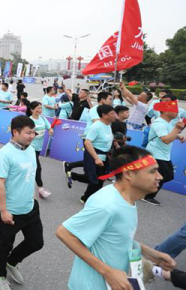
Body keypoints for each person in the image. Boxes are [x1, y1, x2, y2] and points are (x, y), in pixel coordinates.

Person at [56, 146, 176, 290]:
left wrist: (151, 253)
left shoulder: (128, 198)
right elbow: (65, 233)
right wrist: (108, 272)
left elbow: (117, 236)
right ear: (129, 174)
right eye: (152, 171)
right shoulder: (107, 205)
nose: (160, 177)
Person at [0, 116, 43, 290]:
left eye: (33, 132)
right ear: (15, 132)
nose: (32, 136)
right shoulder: (4, 154)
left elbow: (31, 174)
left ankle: (12, 262)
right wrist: (4, 211)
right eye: (28, 132)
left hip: (30, 207)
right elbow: (0, 183)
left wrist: (34, 194)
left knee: (36, 242)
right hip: (11, 211)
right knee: (4, 245)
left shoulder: (30, 149)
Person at [143, 95, 185, 206]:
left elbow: (169, 135)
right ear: (166, 111)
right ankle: (147, 195)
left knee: (168, 176)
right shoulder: (159, 123)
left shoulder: (167, 123)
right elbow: (166, 140)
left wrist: (178, 136)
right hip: (156, 154)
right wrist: (177, 130)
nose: (177, 113)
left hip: (163, 154)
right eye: (174, 110)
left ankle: (144, 190)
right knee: (164, 175)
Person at [69, 105, 116, 203]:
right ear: (104, 115)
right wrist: (96, 158)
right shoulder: (96, 126)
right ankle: (86, 198)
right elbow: (87, 142)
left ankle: (73, 176)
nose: (114, 115)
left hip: (104, 155)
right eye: (112, 114)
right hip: (95, 154)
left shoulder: (108, 125)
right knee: (96, 180)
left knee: (99, 178)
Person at [26, 101, 53, 199]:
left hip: (38, 147)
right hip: (29, 146)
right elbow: (25, 133)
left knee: (30, 166)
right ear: (32, 109)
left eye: (41, 108)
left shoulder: (43, 119)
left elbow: (49, 128)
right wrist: (32, 134)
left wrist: (50, 131)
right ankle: (40, 189)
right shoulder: (29, 120)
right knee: (38, 167)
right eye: (37, 108)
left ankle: (25, 184)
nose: (39, 110)